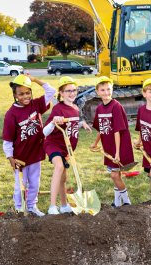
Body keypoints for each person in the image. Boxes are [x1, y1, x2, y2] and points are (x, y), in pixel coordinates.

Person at [2, 75, 56, 216]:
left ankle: (31, 206)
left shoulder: (36, 104)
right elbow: (7, 140)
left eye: (28, 92)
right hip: (20, 157)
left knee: (34, 183)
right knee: (20, 185)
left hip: (35, 153)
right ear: (15, 95)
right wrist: (10, 157)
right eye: (21, 94)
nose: (25, 96)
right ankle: (20, 208)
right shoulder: (11, 114)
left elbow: (51, 92)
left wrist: (35, 80)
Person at [43, 76, 92, 215]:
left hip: (67, 148)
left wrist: (81, 123)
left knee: (63, 178)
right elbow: (44, 131)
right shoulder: (58, 108)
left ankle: (64, 206)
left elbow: (72, 120)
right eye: (68, 90)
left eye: (74, 90)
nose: (72, 93)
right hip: (54, 144)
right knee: (58, 167)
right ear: (61, 93)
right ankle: (52, 206)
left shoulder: (75, 107)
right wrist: (53, 122)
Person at [90, 76, 134, 207]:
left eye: (108, 89)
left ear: (112, 89)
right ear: (97, 92)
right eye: (102, 90)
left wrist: (118, 153)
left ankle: (127, 202)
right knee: (116, 176)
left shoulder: (116, 106)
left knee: (114, 176)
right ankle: (117, 203)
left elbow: (117, 131)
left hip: (118, 147)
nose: (106, 92)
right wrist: (96, 142)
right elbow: (101, 128)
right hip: (108, 147)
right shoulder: (99, 108)